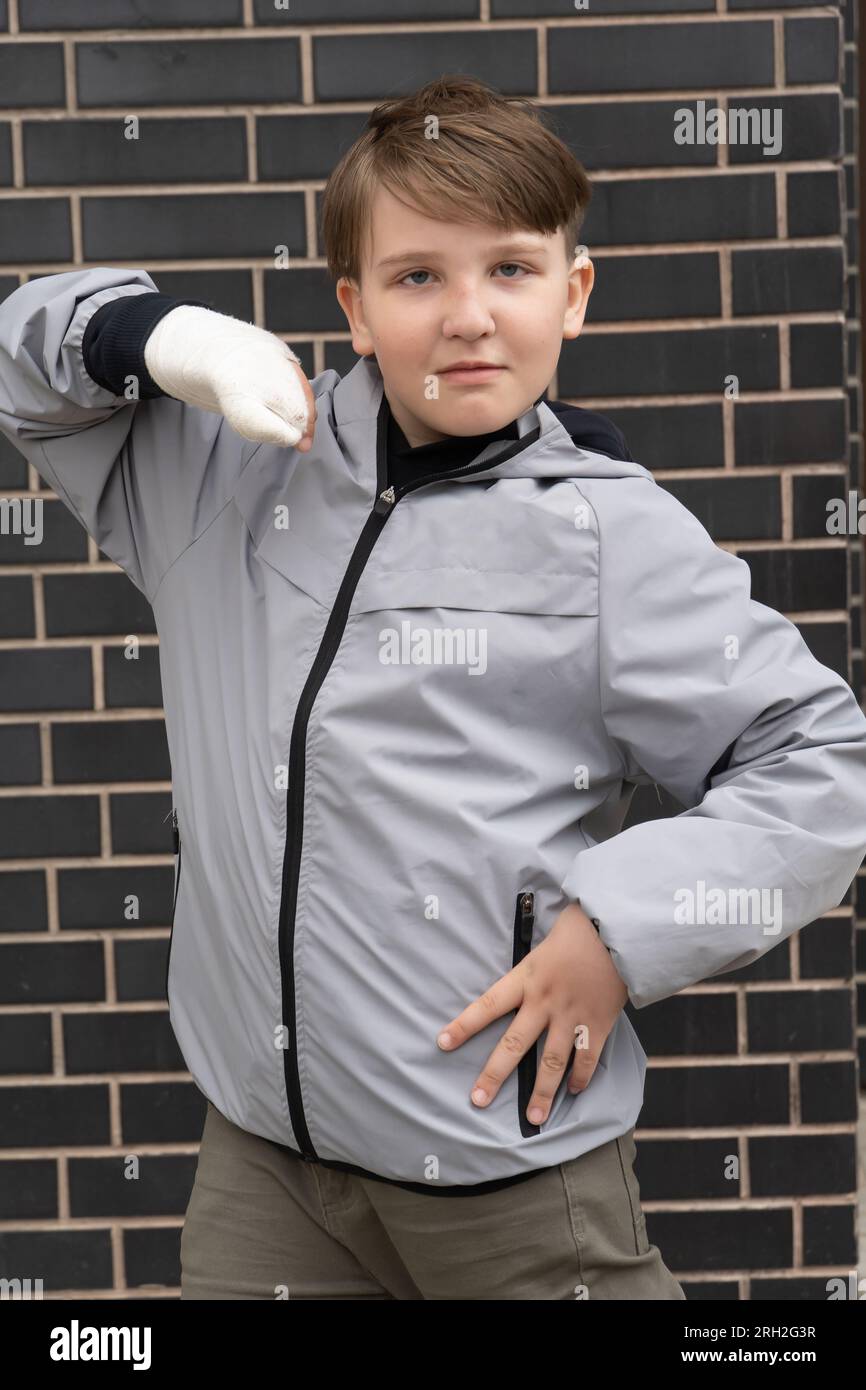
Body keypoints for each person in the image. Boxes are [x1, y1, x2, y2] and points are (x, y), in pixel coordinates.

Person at [1, 74, 865, 1302]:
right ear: (352, 307)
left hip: (498, 1172)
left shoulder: (610, 535)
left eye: (509, 271)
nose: (466, 316)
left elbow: (820, 765)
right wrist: (166, 340)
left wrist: (617, 931)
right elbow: (23, 358)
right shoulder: (225, 471)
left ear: (571, 295)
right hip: (265, 1158)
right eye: (415, 277)